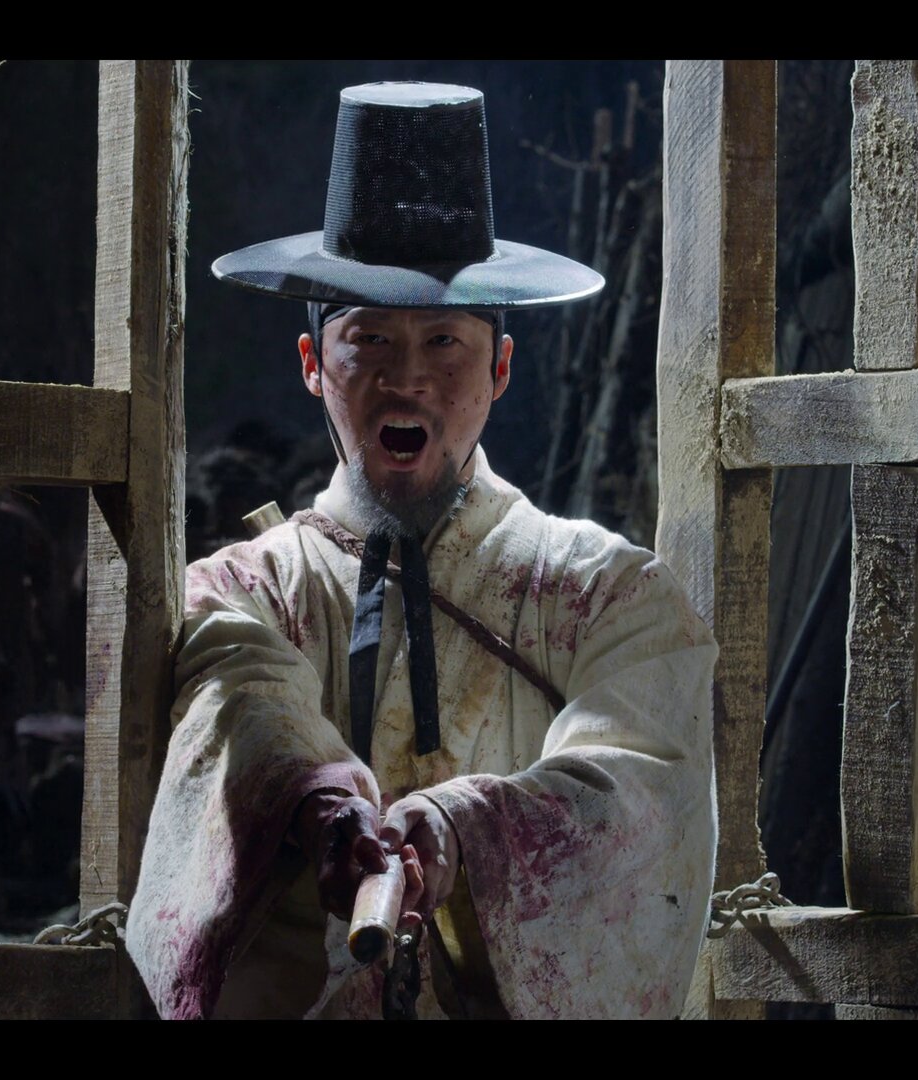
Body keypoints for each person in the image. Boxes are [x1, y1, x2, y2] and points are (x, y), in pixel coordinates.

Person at [127, 81, 718, 1019]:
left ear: (500, 368)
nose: (407, 377)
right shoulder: (242, 592)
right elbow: (239, 693)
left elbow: (639, 780)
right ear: (313, 366)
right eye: (367, 339)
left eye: (445, 340)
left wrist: (467, 833)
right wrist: (317, 804)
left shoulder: (613, 599)